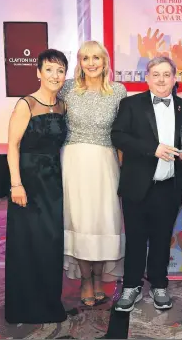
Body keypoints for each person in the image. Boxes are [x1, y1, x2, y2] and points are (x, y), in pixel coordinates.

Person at [111, 56, 182, 312]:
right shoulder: (130, 105)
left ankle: (159, 285)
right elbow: (118, 135)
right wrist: (152, 149)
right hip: (137, 185)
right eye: (155, 74)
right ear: (147, 78)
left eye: (166, 74)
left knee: (162, 239)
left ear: (174, 78)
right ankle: (131, 286)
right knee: (135, 238)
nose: (161, 79)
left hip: (169, 186)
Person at [59, 40, 127, 307]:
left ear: (105, 61)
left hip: (105, 163)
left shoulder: (118, 91)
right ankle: (86, 280)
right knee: (80, 222)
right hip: (74, 162)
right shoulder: (67, 89)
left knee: (103, 222)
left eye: (96, 58)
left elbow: (122, 135)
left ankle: (99, 277)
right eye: (85, 58)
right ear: (79, 62)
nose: (91, 63)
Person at [5, 49, 68, 323]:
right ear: (39, 73)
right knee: (27, 243)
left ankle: (48, 302)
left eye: (60, 70)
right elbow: (12, 147)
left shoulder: (63, 106)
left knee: (50, 243)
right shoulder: (26, 104)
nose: (55, 75)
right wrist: (15, 184)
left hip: (53, 182)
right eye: (50, 69)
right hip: (28, 183)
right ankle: (24, 307)